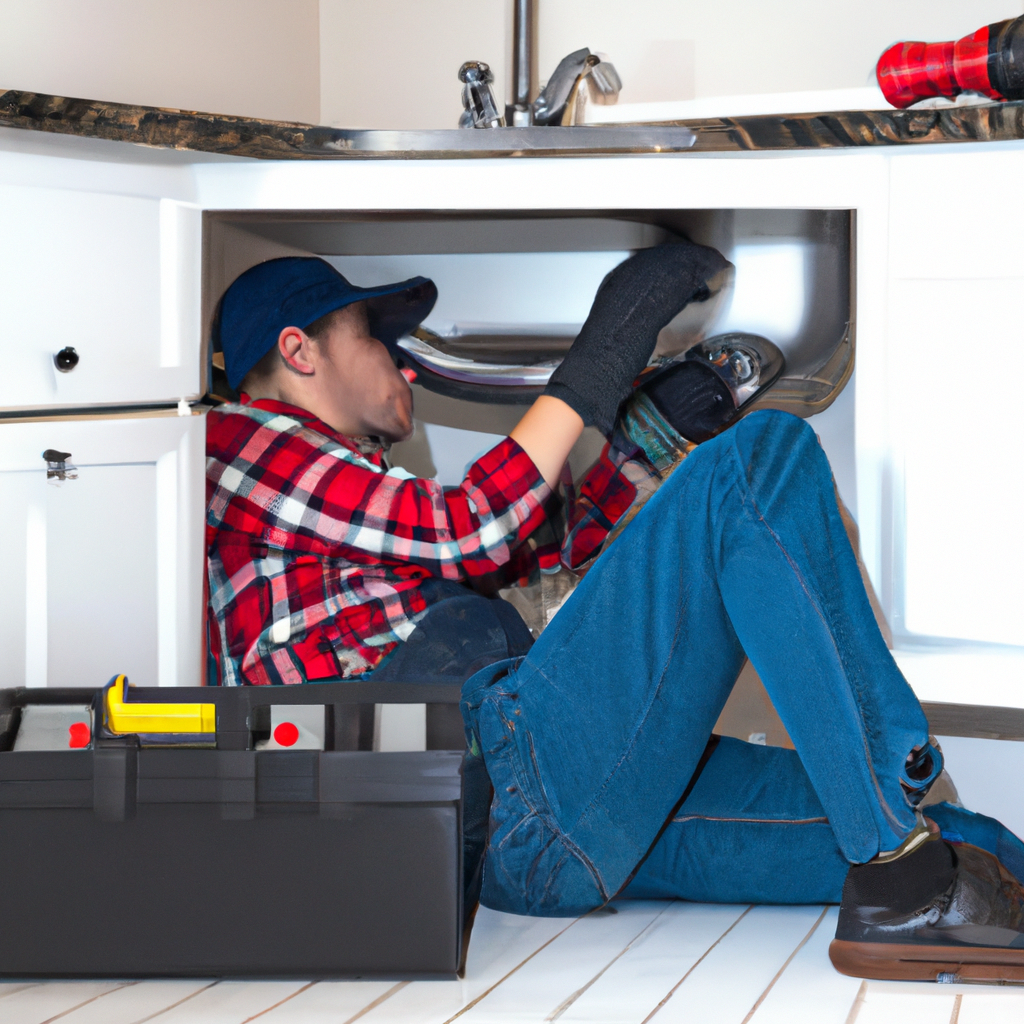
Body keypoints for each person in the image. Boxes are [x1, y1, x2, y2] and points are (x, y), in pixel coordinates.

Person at [206, 251, 1024, 983]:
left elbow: (530, 571)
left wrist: (643, 447)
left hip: (524, 832)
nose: (404, 369)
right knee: (759, 462)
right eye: (375, 340)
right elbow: (472, 529)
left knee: (964, 840)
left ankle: (906, 850)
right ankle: (898, 864)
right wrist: (606, 349)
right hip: (506, 791)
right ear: (297, 350)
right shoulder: (244, 446)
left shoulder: (342, 507)